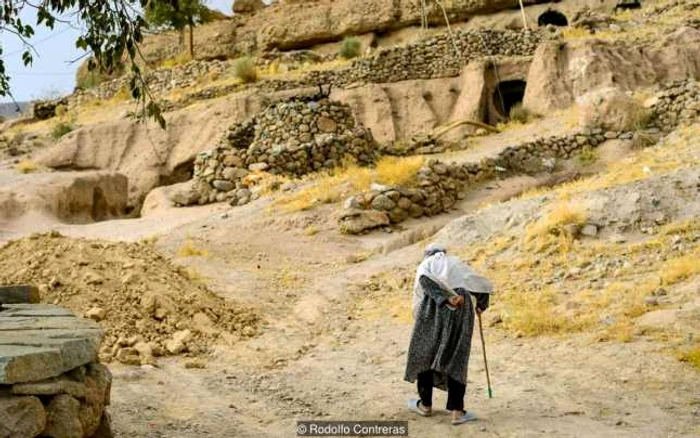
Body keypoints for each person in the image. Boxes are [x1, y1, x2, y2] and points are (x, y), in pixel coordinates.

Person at [404, 243, 493, 425]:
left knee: (425, 352)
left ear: (427, 254)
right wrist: (481, 305)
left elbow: (424, 281)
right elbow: (480, 283)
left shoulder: (426, 264)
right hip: (462, 309)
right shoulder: (455, 263)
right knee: (456, 355)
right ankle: (457, 412)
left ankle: (425, 405)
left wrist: (444, 297)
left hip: (433, 308)